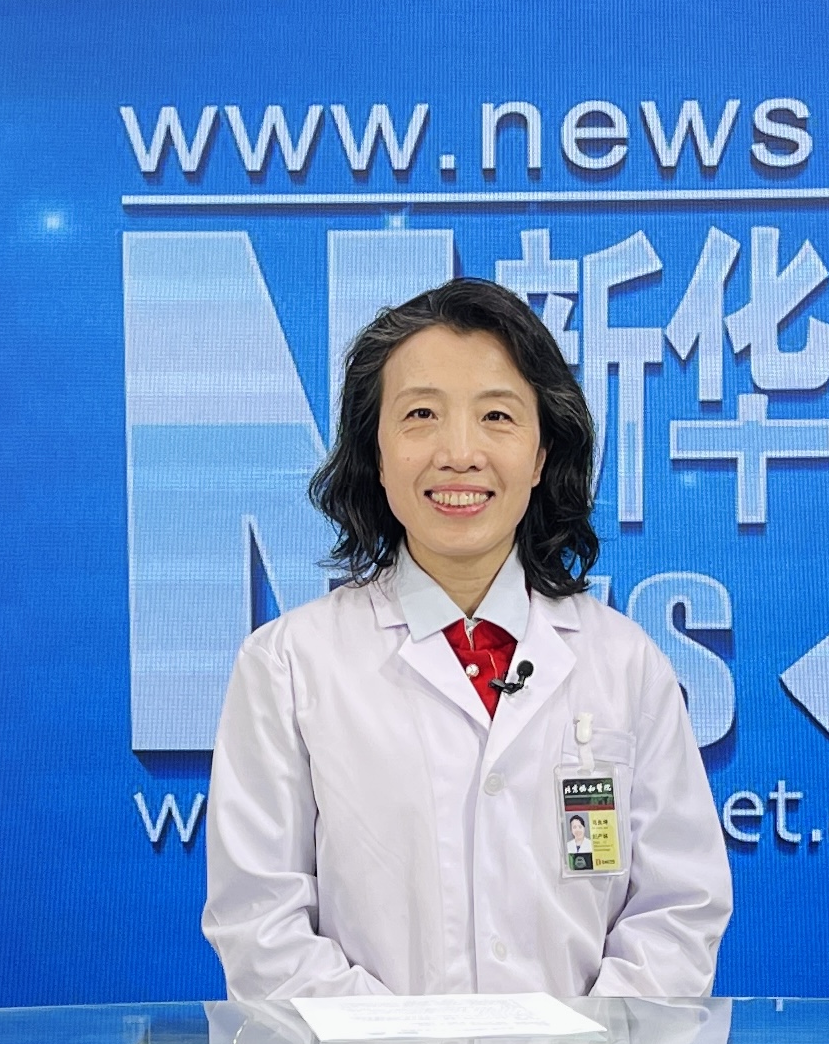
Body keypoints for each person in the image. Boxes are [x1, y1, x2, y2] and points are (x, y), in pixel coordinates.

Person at [203, 277, 731, 1004]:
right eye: (421, 414)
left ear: (541, 455)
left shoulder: (623, 662)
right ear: (376, 450)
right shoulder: (289, 665)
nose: (459, 453)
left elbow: (678, 909)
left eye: (497, 416)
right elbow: (260, 924)